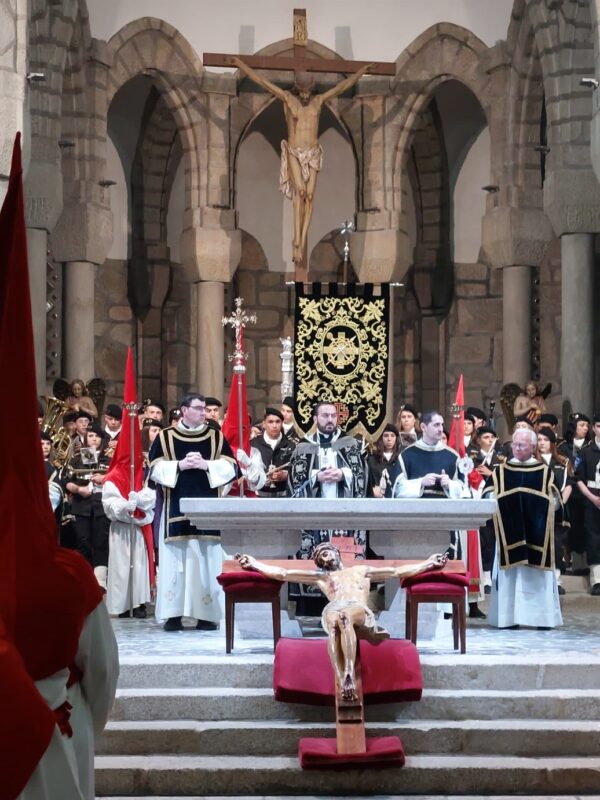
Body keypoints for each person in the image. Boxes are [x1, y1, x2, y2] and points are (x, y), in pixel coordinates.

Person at [236, 544, 447, 702]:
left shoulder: (361, 570)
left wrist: (429, 563)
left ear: (337, 553)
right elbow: (283, 574)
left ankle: (348, 672)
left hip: (357, 609)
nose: (324, 559)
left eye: (326, 553)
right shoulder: (323, 578)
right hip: (334, 609)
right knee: (336, 623)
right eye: (319, 558)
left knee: (345, 616)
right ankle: (342, 677)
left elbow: (396, 572)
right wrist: (254, 563)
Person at [229, 55, 371, 264]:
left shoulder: (318, 102)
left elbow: (342, 87)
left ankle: (302, 240)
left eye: (308, 90)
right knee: (300, 193)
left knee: (310, 197)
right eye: (302, 89)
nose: (305, 94)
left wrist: (362, 70)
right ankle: (296, 239)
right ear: (298, 88)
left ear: (312, 88)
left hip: (312, 153)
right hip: (295, 151)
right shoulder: (288, 99)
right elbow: (262, 82)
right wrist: (241, 66)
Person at [148, 393, 237, 631]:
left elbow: (231, 468)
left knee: (206, 562)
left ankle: (206, 616)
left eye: (205, 409)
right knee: (175, 563)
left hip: (209, 514)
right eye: (199, 408)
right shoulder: (166, 437)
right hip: (174, 512)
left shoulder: (215, 437)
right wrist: (179, 465)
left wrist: (206, 465)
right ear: (184, 410)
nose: (204, 413)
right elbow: (154, 470)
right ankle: (173, 615)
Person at [485, 428, 562, 629]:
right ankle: (508, 618)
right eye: (515, 444)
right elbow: (487, 496)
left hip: (537, 534)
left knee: (536, 576)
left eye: (522, 445)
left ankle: (541, 619)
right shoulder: (501, 471)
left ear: (533, 447)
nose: (517, 448)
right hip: (508, 534)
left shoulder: (544, 472)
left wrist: (539, 504)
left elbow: (555, 501)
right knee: (511, 575)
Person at [288, 401, 367, 558]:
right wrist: (316, 477)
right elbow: (294, 482)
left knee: (345, 566)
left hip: (345, 514)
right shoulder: (303, 446)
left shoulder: (350, 444)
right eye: (325, 415)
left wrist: (343, 474)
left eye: (333, 415)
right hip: (314, 515)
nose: (330, 419)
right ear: (315, 419)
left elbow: (362, 476)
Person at [64, 423, 112, 587]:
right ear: (86, 438)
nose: (93, 439)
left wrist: (104, 479)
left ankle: (100, 582)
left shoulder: (109, 459)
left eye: (97, 436)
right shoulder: (77, 459)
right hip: (81, 506)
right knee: (83, 542)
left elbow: (118, 480)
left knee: (101, 542)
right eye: (90, 435)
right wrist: (79, 489)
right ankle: (84, 580)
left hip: (101, 507)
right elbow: (67, 483)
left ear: (102, 439)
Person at [392, 410, 462, 499]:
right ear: (423, 427)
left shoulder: (453, 456)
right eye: (436, 425)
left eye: (442, 425)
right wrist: (421, 483)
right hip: (415, 510)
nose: (441, 429)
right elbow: (397, 490)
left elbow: (465, 490)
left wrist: (449, 484)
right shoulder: (406, 455)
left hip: (446, 510)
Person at [537, 427, 573, 595]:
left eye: (545, 440)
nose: (542, 443)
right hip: (537, 510)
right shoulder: (532, 462)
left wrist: (561, 503)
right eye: (539, 440)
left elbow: (567, 485)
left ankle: (556, 580)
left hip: (557, 510)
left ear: (552, 442)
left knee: (557, 545)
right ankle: (541, 581)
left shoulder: (562, 462)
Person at [575, 414, 600, 595]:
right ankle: (597, 579)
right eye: (599, 426)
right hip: (592, 497)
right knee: (593, 537)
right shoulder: (586, 451)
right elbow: (579, 479)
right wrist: (592, 498)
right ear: (593, 428)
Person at [249, 407, 296, 497]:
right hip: (259, 495)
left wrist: (286, 475)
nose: (274, 426)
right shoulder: (254, 444)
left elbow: (298, 470)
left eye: (277, 422)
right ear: (264, 424)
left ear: (282, 423)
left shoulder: (291, 445)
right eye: (270, 422)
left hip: (284, 496)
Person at [367, 424, 401, 498]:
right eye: (386, 435)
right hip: (376, 500)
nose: (389, 439)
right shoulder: (372, 459)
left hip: (396, 500)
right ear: (381, 438)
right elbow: (366, 480)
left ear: (396, 438)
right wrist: (371, 490)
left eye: (392, 436)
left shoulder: (401, 459)